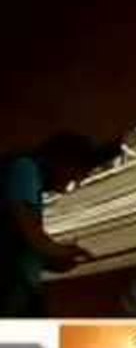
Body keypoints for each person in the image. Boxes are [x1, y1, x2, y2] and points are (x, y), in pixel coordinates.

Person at [0, 133, 110, 317]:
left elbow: (26, 242)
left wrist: (53, 260)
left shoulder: (33, 179)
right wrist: (66, 252)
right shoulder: (25, 169)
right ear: (64, 161)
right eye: (76, 173)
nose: (74, 182)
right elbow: (31, 234)